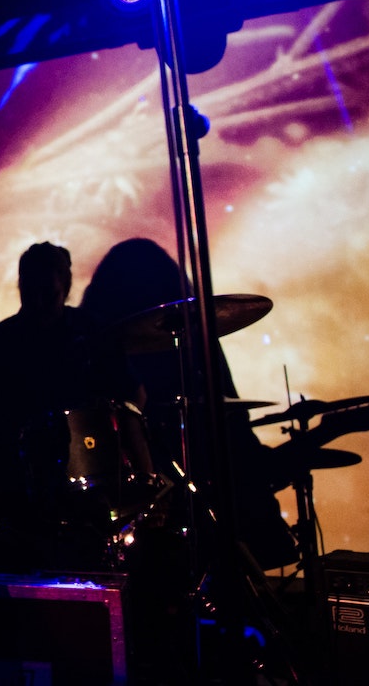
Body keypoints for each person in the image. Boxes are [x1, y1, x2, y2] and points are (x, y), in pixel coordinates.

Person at [78, 236, 298, 572]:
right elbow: (235, 429)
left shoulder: (96, 347)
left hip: (133, 489)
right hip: (160, 487)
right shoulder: (190, 345)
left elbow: (232, 425)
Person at [0, 242, 146, 567]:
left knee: (89, 560)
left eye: (49, 293)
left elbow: (133, 395)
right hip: (15, 481)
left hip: (86, 477)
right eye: (32, 293)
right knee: (22, 562)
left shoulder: (92, 333)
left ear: (65, 287)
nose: (40, 302)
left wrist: (135, 460)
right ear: (21, 287)